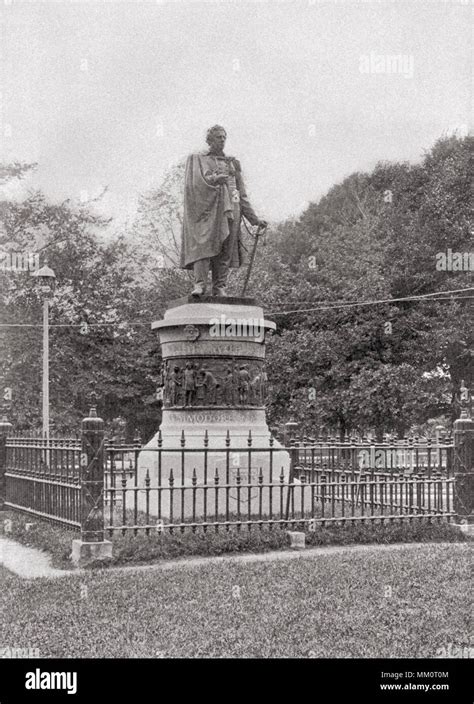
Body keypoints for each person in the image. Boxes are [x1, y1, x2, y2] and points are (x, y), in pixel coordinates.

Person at [180, 125, 267, 296]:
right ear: (210, 140)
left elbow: (241, 194)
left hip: (231, 209)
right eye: (218, 137)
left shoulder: (232, 163)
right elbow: (194, 186)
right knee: (203, 247)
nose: (222, 140)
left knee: (226, 247)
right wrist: (213, 180)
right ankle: (200, 285)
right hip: (207, 210)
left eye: (224, 137)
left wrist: (254, 220)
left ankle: (220, 287)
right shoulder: (199, 159)